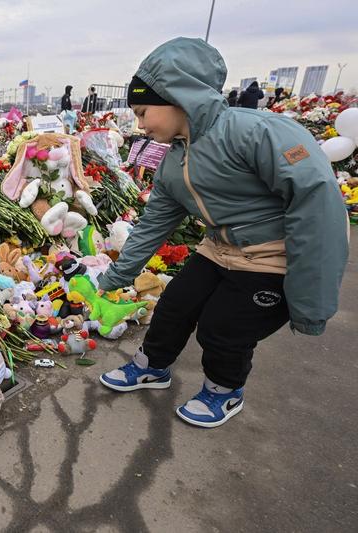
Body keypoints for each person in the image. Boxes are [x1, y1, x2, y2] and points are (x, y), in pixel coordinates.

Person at [97, 37, 348, 428]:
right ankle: (152, 366)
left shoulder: (258, 132)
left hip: (272, 256)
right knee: (174, 305)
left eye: (144, 112)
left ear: (178, 97)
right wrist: (114, 277)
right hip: (218, 249)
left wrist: (311, 299)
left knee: (223, 329)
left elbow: (317, 203)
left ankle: (224, 390)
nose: (140, 124)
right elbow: (152, 226)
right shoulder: (174, 160)